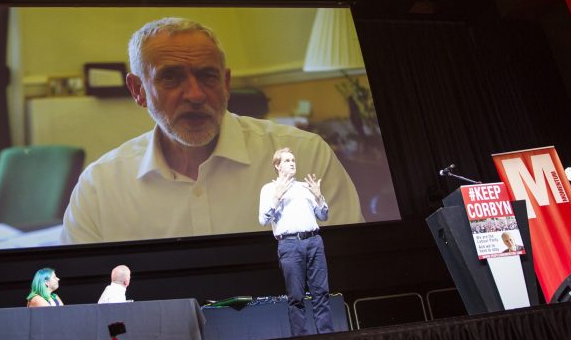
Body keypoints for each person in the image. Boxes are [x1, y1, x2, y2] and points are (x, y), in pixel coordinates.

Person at [60, 17, 363, 244]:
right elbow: (81, 304)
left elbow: (352, 266)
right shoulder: (100, 188)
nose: (195, 95)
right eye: (171, 78)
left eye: (208, 76)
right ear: (138, 90)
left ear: (226, 83)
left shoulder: (305, 156)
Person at [258, 147, 333, 336]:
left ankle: (328, 336)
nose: (292, 163)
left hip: (314, 241)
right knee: (296, 297)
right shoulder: (269, 189)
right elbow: (263, 220)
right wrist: (277, 196)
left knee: (321, 293)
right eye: (287, 160)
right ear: (277, 166)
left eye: (293, 160)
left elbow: (323, 216)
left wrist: (318, 196)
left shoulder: (305, 187)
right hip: (290, 245)